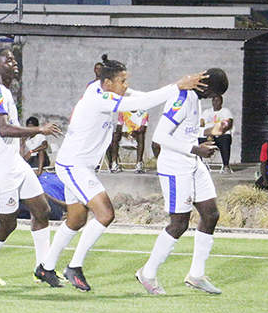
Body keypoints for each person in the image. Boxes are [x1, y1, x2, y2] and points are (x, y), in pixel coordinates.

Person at [35, 54, 208, 291]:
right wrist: (177, 86)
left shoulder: (101, 89)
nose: (126, 86)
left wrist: (175, 87)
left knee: (76, 219)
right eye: (122, 81)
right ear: (107, 83)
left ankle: (45, 267)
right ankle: (74, 266)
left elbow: (142, 97)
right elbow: (142, 103)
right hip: (73, 166)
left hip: (80, 165)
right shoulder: (99, 98)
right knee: (105, 214)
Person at [0, 48, 62, 287]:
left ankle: (43, 269)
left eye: (14, 59)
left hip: (14, 163)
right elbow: (3, 129)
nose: (14, 62)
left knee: (42, 211)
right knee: (8, 224)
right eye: (8, 60)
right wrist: (39, 129)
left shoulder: (4, 93)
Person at [135, 68, 229, 296]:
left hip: (193, 163)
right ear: (208, 89)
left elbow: (186, 130)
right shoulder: (182, 99)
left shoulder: (195, 99)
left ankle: (196, 275)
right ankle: (147, 273)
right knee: (179, 224)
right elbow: (159, 137)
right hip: (175, 167)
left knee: (211, 215)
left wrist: (210, 130)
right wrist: (195, 149)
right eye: (215, 93)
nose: (213, 98)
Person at [199, 95, 234, 173]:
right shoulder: (207, 112)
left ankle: (226, 166)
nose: (216, 103)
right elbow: (201, 124)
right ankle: (199, 165)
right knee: (196, 141)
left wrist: (219, 132)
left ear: (221, 102)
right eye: (214, 100)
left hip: (220, 136)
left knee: (226, 139)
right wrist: (208, 133)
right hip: (208, 136)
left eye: (218, 101)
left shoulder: (225, 111)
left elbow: (229, 124)